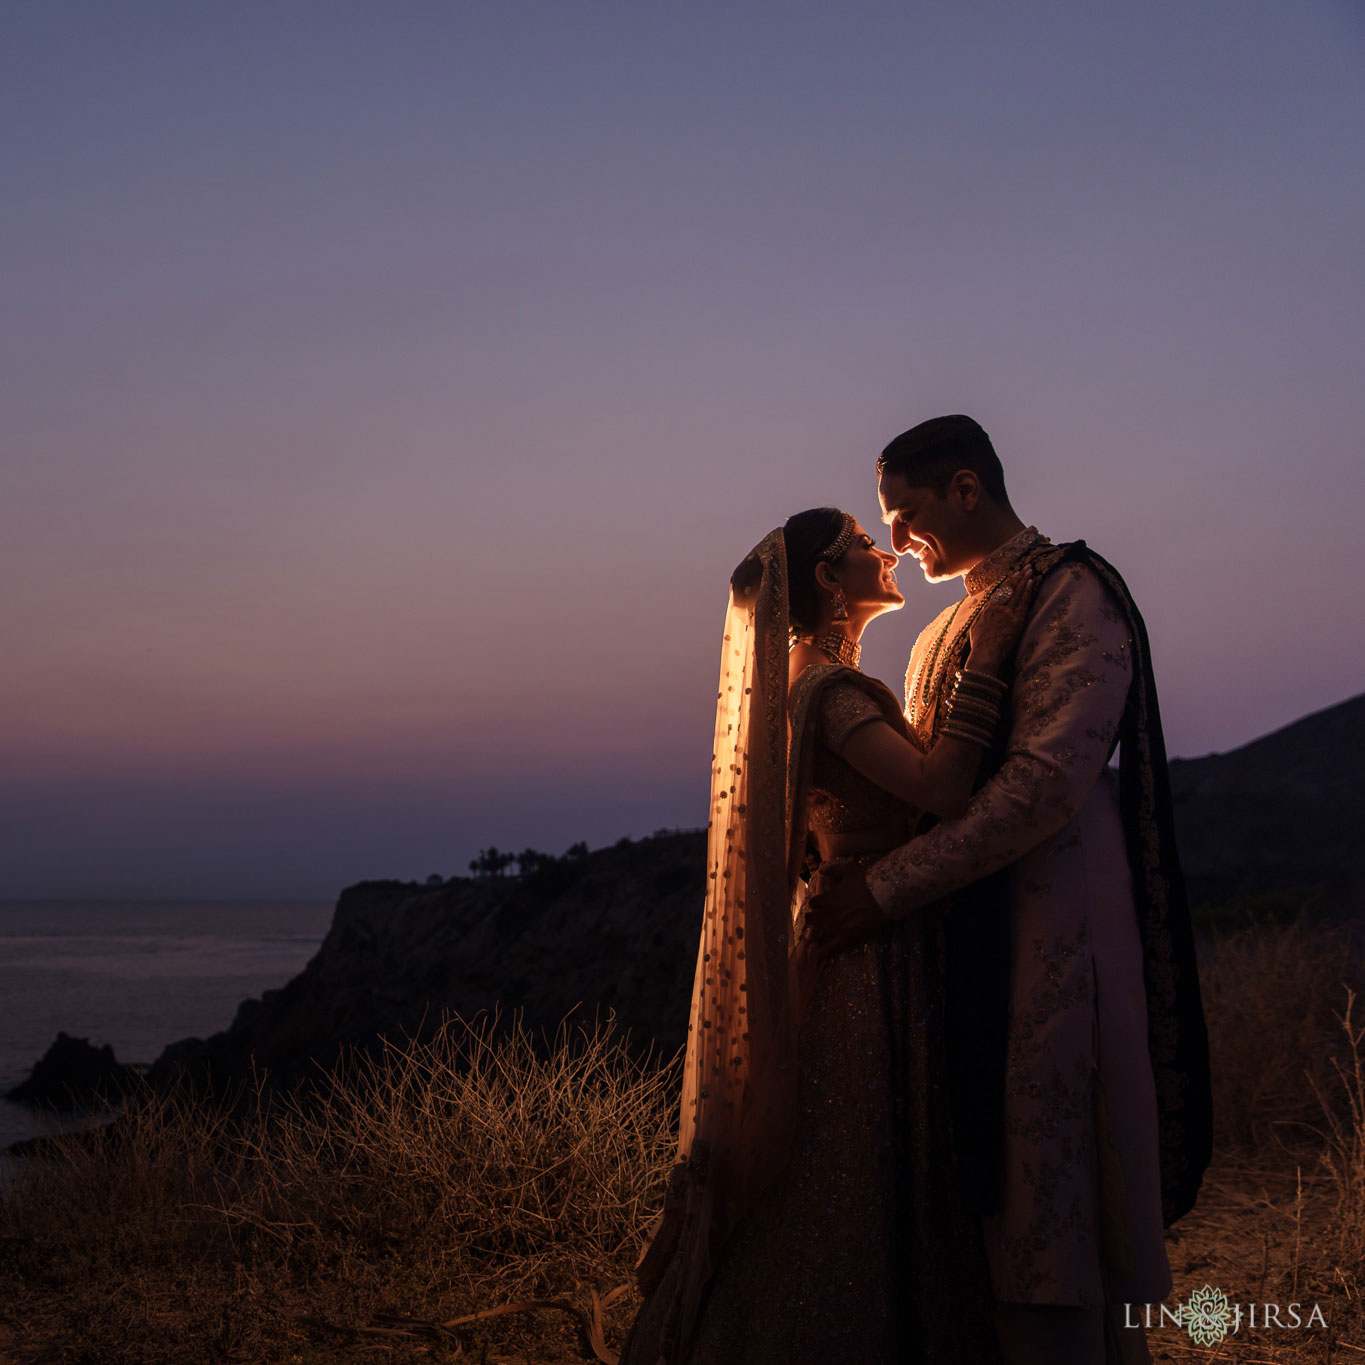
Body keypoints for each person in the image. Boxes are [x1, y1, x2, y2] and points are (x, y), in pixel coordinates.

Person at [805, 415, 1213, 1365]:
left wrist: (885, 889)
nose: (898, 543)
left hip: (1060, 936)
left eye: (903, 516)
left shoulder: (1074, 592)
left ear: (964, 487)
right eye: (883, 528)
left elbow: (1043, 788)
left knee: (1061, 1215)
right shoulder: (940, 629)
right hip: (962, 948)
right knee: (993, 1233)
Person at [620, 506, 1034, 1365]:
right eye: (860, 543)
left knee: (847, 1149)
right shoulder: (832, 691)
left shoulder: (803, 682)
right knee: (854, 1157)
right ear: (825, 578)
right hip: (872, 952)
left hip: (855, 928)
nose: (884, 552)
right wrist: (990, 660)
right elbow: (944, 786)